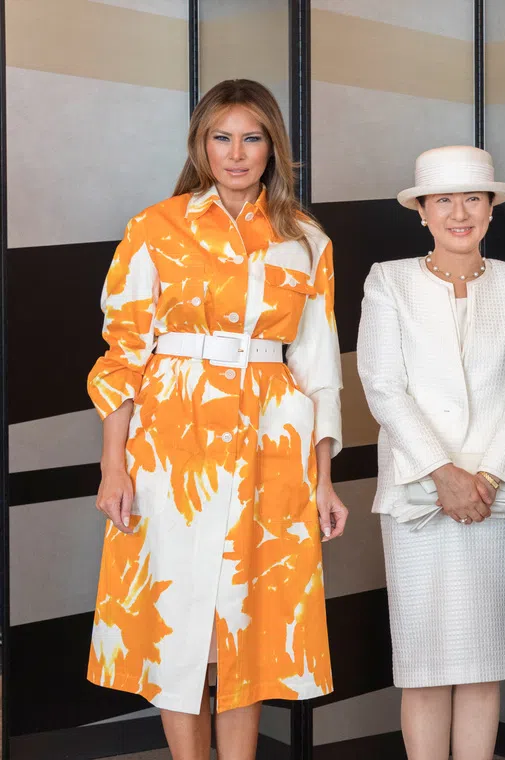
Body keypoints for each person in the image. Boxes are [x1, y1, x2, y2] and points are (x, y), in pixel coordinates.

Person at [88, 79, 347, 760]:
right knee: (179, 621)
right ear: (201, 145)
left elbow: (320, 367)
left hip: (272, 439)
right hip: (171, 442)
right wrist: (113, 464)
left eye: (252, 137)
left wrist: (322, 480)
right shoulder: (155, 227)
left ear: (272, 148)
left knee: (247, 622)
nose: (237, 153)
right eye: (222, 137)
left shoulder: (307, 241)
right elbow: (122, 355)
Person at [357, 145, 505, 760]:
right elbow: (383, 386)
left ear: (491, 208)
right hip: (419, 494)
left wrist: (485, 477)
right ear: (422, 212)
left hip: (498, 497)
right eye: (444, 200)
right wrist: (444, 474)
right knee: (424, 663)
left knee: (484, 663)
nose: (459, 213)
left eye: (473, 198)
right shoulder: (389, 280)